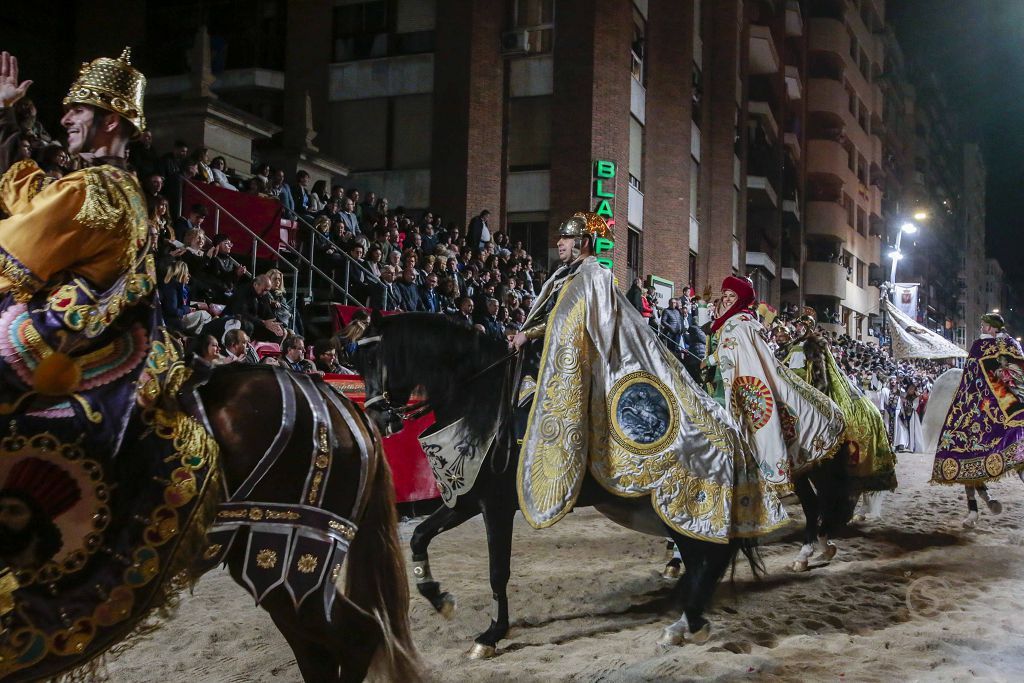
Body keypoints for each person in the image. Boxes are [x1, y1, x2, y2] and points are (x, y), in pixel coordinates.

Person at [512, 215, 787, 644]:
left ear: (582, 242)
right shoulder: (572, 278)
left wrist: (536, 337)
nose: (559, 244)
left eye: (566, 238)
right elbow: (565, 324)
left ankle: (693, 595)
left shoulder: (594, 276)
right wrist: (529, 334)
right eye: (561, 238)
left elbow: (594, 331)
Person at [932, 313, 1024, 528]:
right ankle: (981, 503)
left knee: (965, 451)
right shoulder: (1012, 345)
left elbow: (970, 380)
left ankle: (974, 508)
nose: (981, 327)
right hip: (1009, 412)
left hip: (981, 412)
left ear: (991, 328)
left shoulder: (979, 346)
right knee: (1019, 455)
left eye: (984, 325)